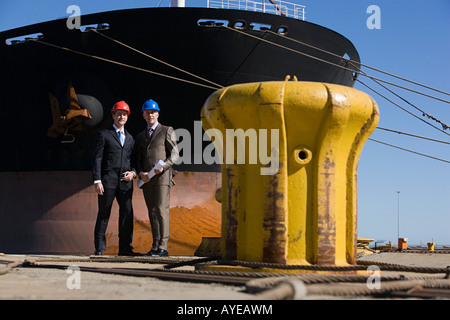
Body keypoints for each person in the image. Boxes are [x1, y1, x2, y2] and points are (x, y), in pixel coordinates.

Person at [92, 101, 138, 256]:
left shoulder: (131, 139)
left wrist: (133, 173)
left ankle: (125, 248)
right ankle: (99, 248)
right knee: (104, 213)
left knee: (127, 214)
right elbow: (97, 158)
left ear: (127, 117)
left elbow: (134, 161)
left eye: (124, 114)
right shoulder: (104, 135)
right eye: (118, 114)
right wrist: (97, 180)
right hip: (108, 182)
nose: (121, 117)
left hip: (125, 183)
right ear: (113, 115)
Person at [135, 99, 178, 257]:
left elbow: (175, 154)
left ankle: (163, 246)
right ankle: (155, 246)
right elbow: (138, 159)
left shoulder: (166, 130)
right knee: (152, 211)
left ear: (157, 113)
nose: (150, 114)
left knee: (161, 210)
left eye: (153, 112)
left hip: (162, 178)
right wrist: (141, 173)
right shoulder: (140, 136)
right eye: (147, 112)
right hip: (147, 179)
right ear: (143, 115)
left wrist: (163, 167)